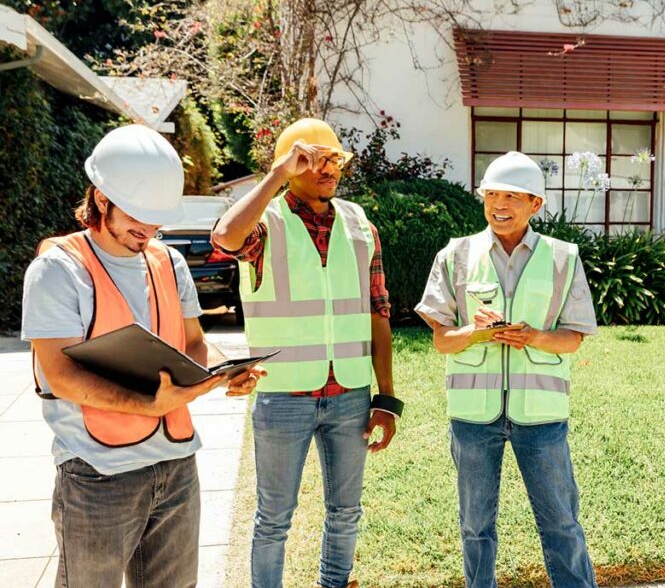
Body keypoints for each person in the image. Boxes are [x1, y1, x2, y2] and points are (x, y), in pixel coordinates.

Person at [21, 124, 264, 588]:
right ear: (100, 197)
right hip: (98, 476)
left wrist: (222, 372)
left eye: (157, 219)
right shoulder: (57, 271)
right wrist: (148, 404)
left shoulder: (168, 261)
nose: (149, 229)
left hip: (175, 468)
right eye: (138, 214)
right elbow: (60, 377)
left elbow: (193, 342)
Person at [212, 117, 403, 588]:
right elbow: (225, 237)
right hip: (284, 397)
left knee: (346, 511)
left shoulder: (361, 226)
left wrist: (387, 397)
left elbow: (379, 312)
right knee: (274, 518)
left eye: (333, 160)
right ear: (290, 163)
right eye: (312, 160)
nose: (327, 169)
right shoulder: (267, 223)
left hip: (350, 396)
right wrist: (276, 176)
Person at [415, 151, 599, 588]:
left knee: (561, 523)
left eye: (512, 196)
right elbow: (442, 339)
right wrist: (479, 334)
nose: (499, 204)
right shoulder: (455, 255)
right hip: (473, 418)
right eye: (491, 194)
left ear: (536, 204)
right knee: (475, 526)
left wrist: (532, 336)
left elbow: (573, 337)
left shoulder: (563, 258)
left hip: (542, 417)